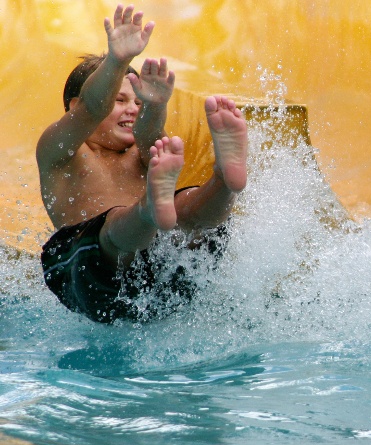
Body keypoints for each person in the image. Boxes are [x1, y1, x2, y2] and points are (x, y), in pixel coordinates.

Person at [37, 5, 248, 323]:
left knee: (188, 213)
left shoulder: (141, 154)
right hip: (92, 276)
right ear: (73, 106)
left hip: (161, 273)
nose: (131, 109)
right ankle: (151, 210)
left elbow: (149, 133)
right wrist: (117, 60)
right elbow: (92, 110)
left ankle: (224, 180)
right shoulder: (64, 151)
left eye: (137, 102)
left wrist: (155, 105)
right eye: (120, 101)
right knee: (114, 230)